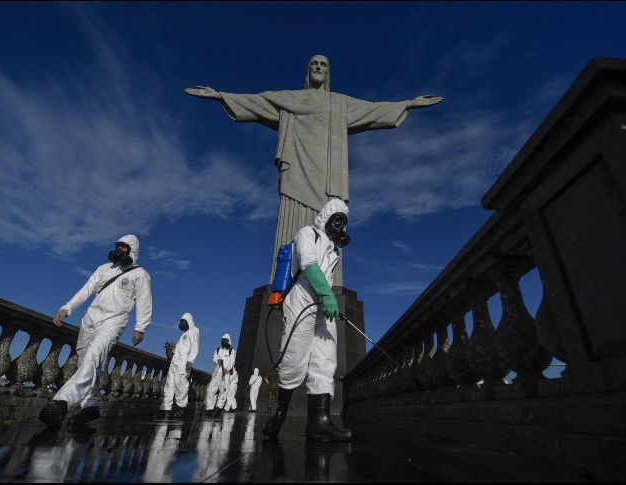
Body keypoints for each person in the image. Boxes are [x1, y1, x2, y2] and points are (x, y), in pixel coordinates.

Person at [185, 55, 442, 286]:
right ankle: (284, 280)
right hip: (296, 170)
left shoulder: (340, 103)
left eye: (323, 65)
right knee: (292, 225)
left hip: (328, 177)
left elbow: (373, 109)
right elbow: (257, 101)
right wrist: (220, 95)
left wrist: (408, 104)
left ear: (328, 73)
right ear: (307, 71)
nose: (318, 67)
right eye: (314, 64)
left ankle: (328, 279)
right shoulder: (290, 99)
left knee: (330, 219)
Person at [262, 199, 352, 441]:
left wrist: (327, 298)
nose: (340, 226)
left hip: (324, 304)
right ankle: (279, 414)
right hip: (301, 298)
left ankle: (319, 422)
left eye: (343, 223)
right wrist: (327, 294)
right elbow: (309, 265)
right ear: (326, 217)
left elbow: (327, 275)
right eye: (337, 220)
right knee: (294, 356)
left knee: (326, 358)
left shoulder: (334, 249)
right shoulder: (307, 233)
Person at [39, 235, 152, 427]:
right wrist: (67, 308)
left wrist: (140, 327)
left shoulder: (140, 274)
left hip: (114, 321)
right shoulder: (103, 269)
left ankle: (62, 402)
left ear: (132, 250)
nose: (119, 250)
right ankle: (91, 405)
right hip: (90, 319)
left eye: (124, 247)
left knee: (93, 356)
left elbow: (144, 301)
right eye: (118, 246)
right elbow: (86, 289)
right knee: (86, 362)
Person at [159, 312, 199, 419]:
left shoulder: (194, 331)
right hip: (174, 363)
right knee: (169, 385)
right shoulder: (184, 334)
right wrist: (174, 345)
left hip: (183, 364)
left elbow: (194, 347)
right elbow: (182, 347)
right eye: (180, 321)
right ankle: (166, 409)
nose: (181, 323)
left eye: (183, 321)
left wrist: (190, 361)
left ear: (188, 321)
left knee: (181, 386)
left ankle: (181, 407)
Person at [204, 333, 236, 417]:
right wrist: (217, 361)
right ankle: (209, 409)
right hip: (216, 372)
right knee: (210, 389)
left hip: (225, 373)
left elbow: (232, 362)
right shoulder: (218, 349)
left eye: (226, 340)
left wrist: (227, 368)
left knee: (223, 391)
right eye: (223, 340)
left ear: (229, 341)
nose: (224, 341)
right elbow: (214, 359)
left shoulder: (232, 351)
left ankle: (218, 408)